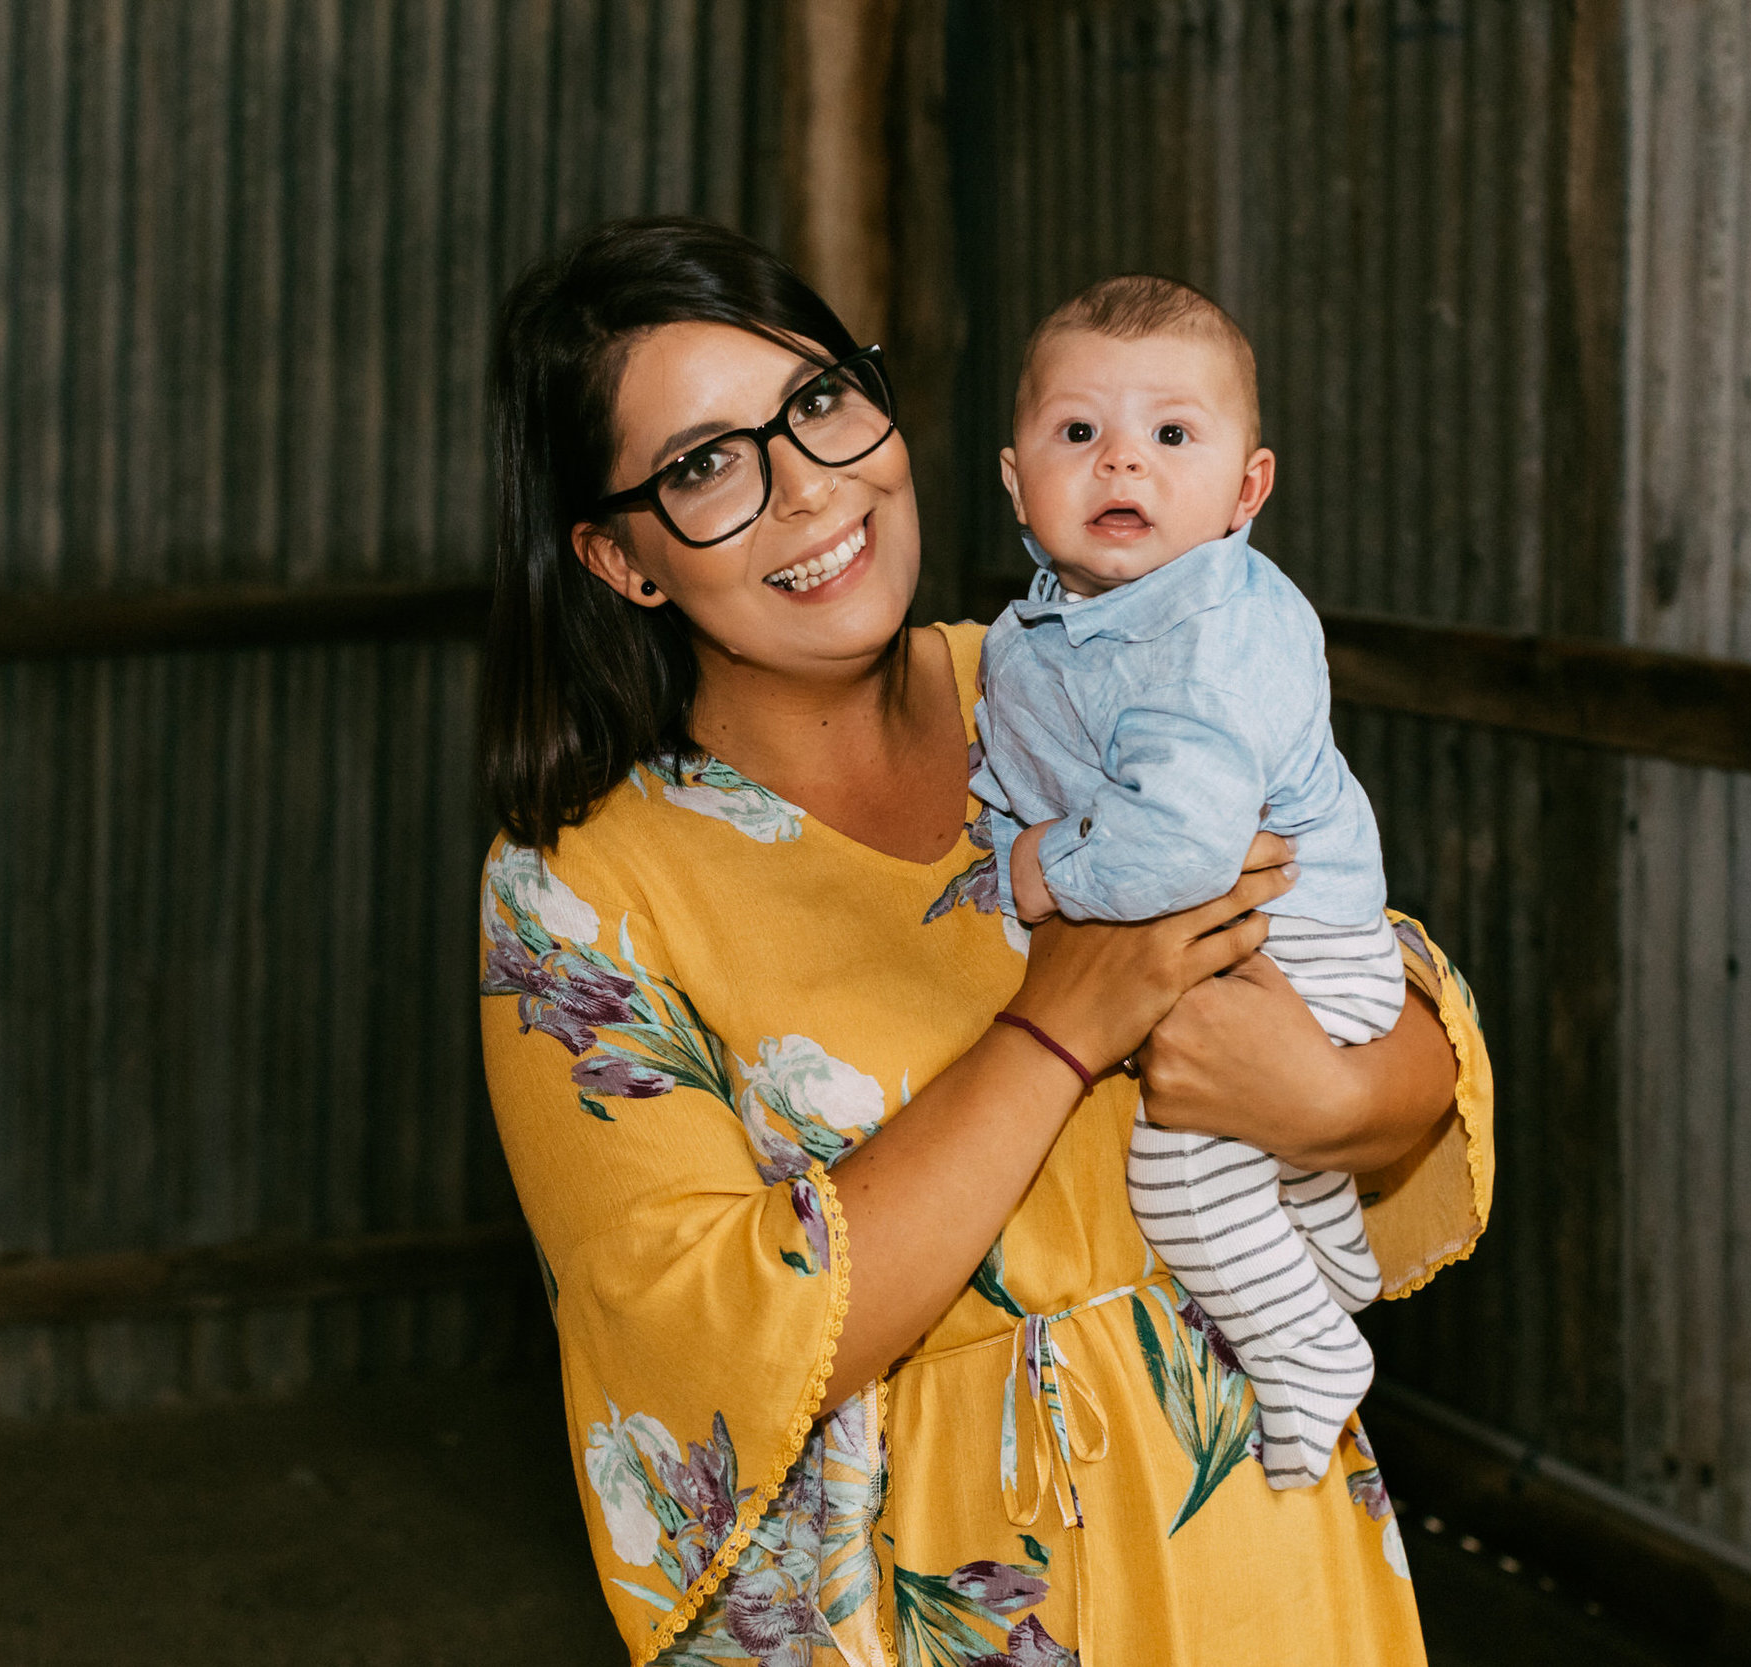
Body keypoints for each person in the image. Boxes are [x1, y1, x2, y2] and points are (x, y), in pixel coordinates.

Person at [478, 216, 1493, 1667]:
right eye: (704, 464)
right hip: (940, 1596)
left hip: (1263, 1540)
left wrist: (1328, 1097)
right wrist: (1061, 1022)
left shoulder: (1069, 667)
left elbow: (1405, 1024)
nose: (808, 489)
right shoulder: (581, 886)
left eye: (819, 399)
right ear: (618, 557)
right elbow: (697, 1346)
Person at [973, 274, 1403, 1490]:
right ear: (1015, 478)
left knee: (1182, 1171)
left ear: (1245, 490)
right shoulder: (1054, 625)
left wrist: (1032, 867)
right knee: (1265, 1144)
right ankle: (1328, 1247)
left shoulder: (1205, 635)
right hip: (1254, 938)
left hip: (1302, 939)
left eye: (1171, 435)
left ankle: (1310, 1348)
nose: (1123, 465)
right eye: (1078, 434)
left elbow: (1176, 850)